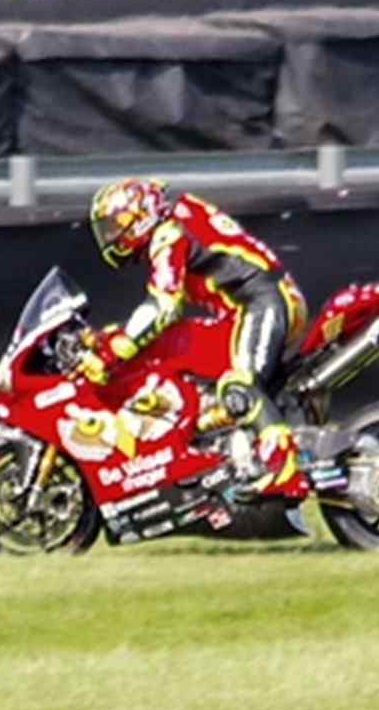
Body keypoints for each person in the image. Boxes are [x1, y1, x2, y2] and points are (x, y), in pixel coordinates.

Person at [83, 177, 309, 497]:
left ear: (140, 214)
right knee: (183, 355)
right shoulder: (178, 217)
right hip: (246, 307)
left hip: (262, 302)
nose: (111, 236)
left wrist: (114, 351)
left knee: (239, 384)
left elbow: (163, 305)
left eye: (116, 225)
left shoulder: (169, 234)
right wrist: (113, 336)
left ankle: (284, 468)